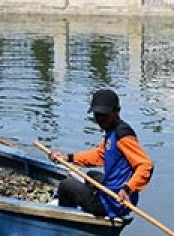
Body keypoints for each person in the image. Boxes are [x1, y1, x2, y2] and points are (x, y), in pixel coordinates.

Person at [50, 89, 153, 218]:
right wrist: (68, 157)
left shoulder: (123, 135)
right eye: (97, 115)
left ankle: (66, 221)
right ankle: (88, 202)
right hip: (113, 195)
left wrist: (127, 189)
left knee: (66, 186)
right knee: (92, 176)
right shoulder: (111, 131)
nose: (100, 119)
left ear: (117, 111)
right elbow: (100, 155)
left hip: (116, 202)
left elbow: (146, 165)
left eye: (104, 115)